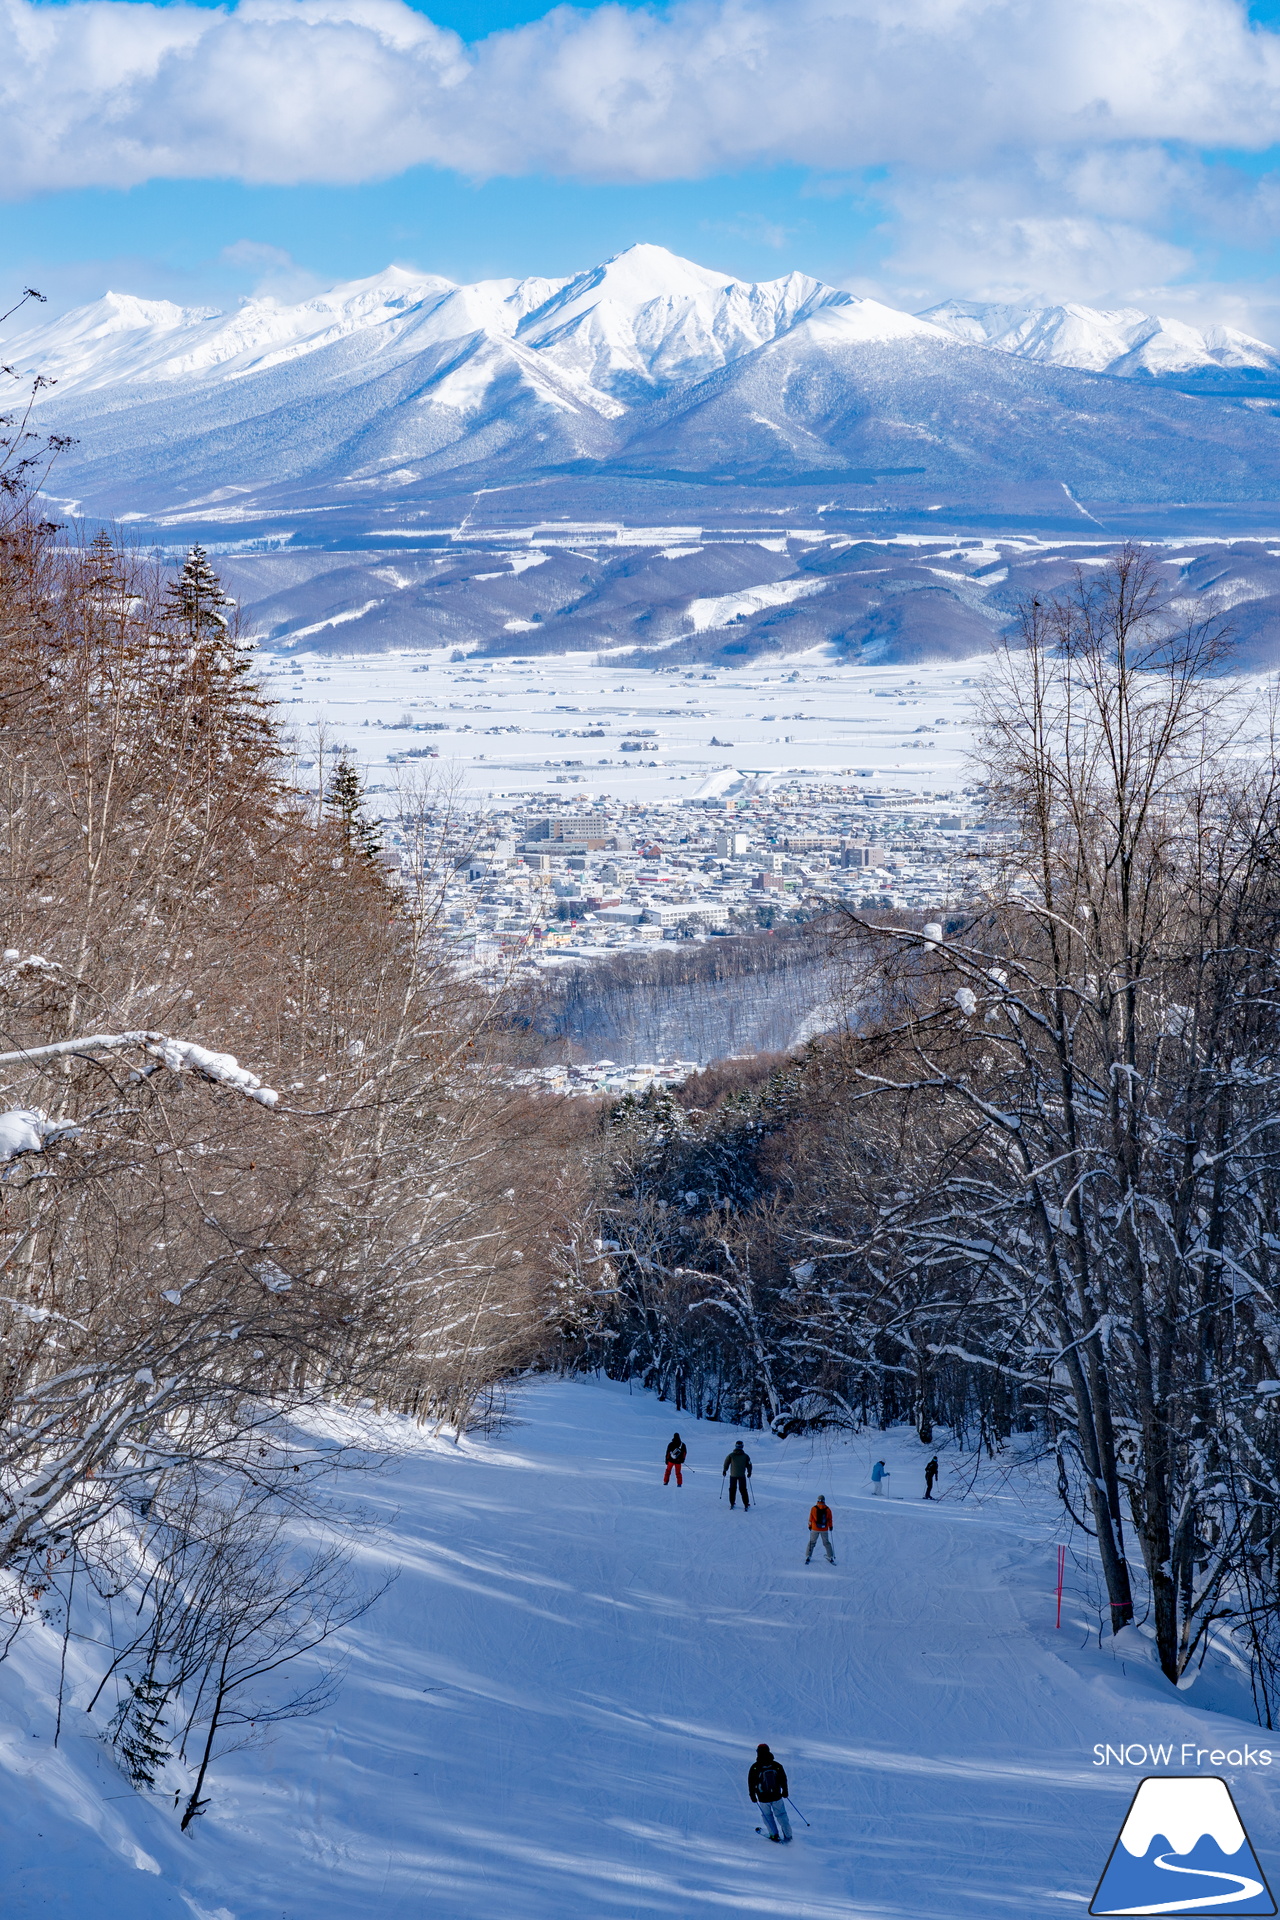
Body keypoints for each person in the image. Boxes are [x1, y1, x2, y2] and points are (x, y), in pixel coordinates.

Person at [749, 1743, 792, 1842]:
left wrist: (752, 1795)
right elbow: (783, 1779)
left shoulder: (755, 1767)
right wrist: (785, 1791)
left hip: (763, 1798)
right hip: (777, 1796)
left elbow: (751, 1782)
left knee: (767, 1816)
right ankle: (788, 1836)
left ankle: (774, 1835)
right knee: (782, 1815)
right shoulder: (776, 1765)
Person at [805, 1494, 835, 1564]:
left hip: (815, 1528)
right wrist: (830, 1526)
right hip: (824, 1529)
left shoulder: (813, 1508)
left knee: (812, 1542)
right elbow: (830, 1519)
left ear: (817, 1500)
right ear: (824, 1501)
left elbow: (810, 1518)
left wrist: (810, 1526)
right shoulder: (828, 1509)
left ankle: (808, 1556)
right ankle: (830, 1556)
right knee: (826, 1543)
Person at [722, 1440, 752, 1508]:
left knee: (732, 1489)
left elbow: (726, 1463)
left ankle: (732, 1503)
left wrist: (724, 1470)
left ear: (735, 1446)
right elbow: (749, 1465)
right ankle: (746, 1504)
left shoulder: (731, 1455)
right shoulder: (745, 1456)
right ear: (742, 1447)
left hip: (733, 1475)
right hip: (741, 1475)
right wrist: (749, 1472)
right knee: (743, 1489)